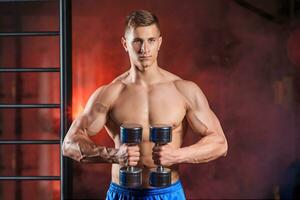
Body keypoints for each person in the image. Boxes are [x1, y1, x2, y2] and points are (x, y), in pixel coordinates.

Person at [62, 9, 228, 200]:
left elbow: (220, 143)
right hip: (123, 193)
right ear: (125, 44)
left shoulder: (183, 91)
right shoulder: (110, 93)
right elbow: (69, 144)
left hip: (168, 193)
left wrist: (177, 156)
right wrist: (113, 155)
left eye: (150, 40)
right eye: (137, 41)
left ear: (160, 42)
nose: (144, 49)